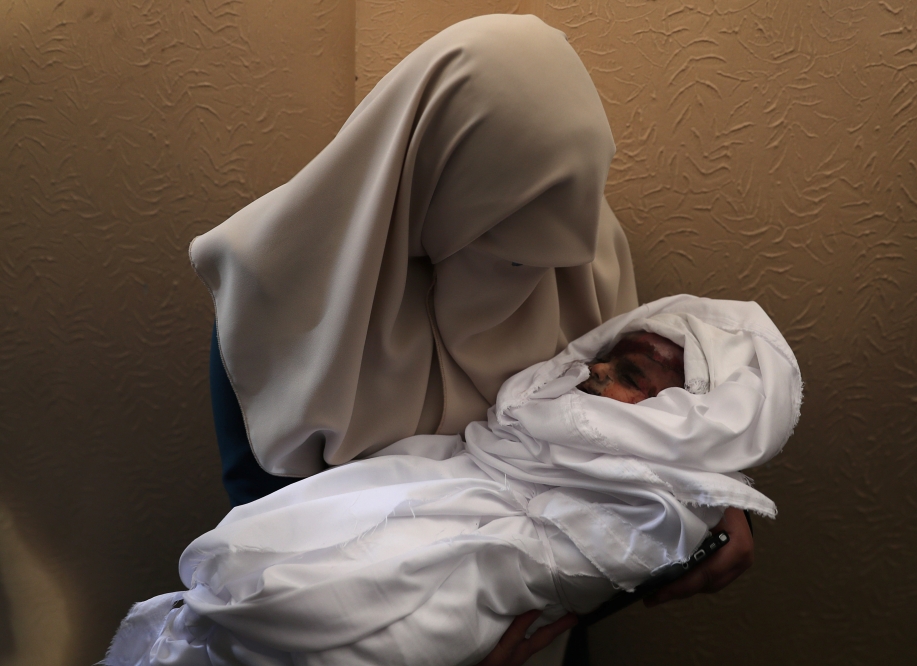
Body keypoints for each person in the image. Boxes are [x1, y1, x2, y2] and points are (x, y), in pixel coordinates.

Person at [189, 13, 757, 665]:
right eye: (506, 255)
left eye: (550, 260)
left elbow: (649, 427)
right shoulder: (282, 295)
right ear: (434, 182)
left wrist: (714, 493)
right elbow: (267, 549)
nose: (528, 287)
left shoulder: (585, 249)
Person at [106, 295, 801, 666]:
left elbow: (645, 501)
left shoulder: (569, 290)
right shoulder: (284, 310)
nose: (588, 373)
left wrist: (708, 492)